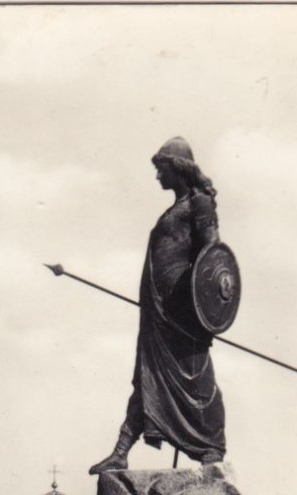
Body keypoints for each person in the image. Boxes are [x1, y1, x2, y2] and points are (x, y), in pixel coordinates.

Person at [90, 137, 226, 473]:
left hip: (182, 315)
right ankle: (121, 451)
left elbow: (212, 254)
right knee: (146, 379)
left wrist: (197, 303)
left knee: (197, 382)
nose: (157, 177)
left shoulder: (200, 204)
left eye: (161, 169)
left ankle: (211, 449)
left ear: (178, 169)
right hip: (158, 314)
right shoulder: (176, 206)